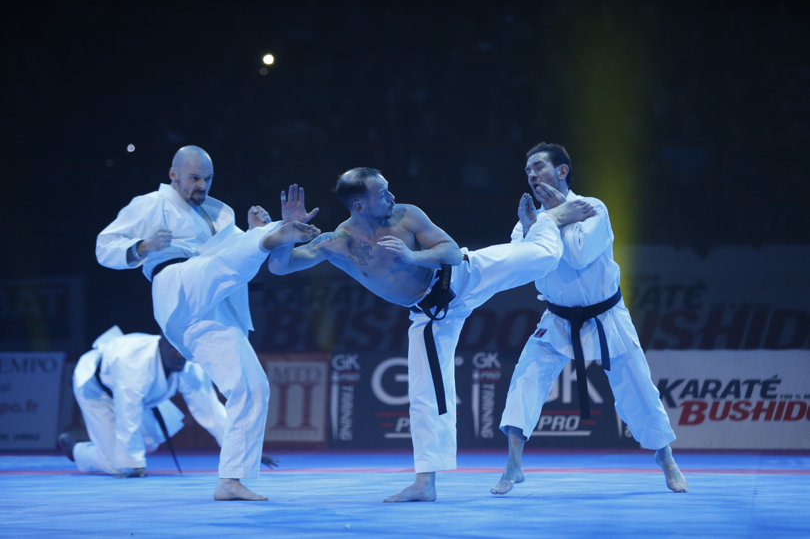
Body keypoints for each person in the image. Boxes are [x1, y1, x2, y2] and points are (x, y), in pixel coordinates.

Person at [267, 168, 595, 502]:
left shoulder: (406, 215)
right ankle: (425, 483)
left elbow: (450, 251)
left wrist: (412, 255)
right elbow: (280, 266)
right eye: (382, 193)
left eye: (388, 189)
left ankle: (550, 220)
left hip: (464, 275)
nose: (391, 197)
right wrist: (286, 233)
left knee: (544, 256)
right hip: (430, 315)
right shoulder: (337, 243)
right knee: (425, 395)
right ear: (359, 206)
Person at [96, 146, 319, 500]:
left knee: (252, 386)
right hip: (177, 283)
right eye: (195, 178)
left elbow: (230, 262)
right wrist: (143, 246)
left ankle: (231, 480)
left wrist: (248, 232)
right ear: (174, 175)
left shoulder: (219, 213)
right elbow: (104, 245)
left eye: (208, 178)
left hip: (214, 309)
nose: (202, 185)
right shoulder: (151, 204)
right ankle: (275, 234)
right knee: (218, 266)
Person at [492, 142, 688, 496]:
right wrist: (546, 221)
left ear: (562, 171)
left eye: (539, 167)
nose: (532, 175)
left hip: (605, 315)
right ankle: (513, 464)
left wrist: (554, 215)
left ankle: (666, 457)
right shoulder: (529, 222)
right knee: (525, 380)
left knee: (639, 388)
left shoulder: (592, 207)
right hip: (557, 318)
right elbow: (524, 264)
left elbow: (580, 255)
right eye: (528, 172)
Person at [58, 326, 280, 477]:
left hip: (140, 395)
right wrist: (133, 464)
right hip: (96, 389)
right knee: (118, 464)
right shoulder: (134, 363)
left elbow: (209, 409)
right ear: (161, 344)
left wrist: (243, 450)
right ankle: (75, 451)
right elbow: (128, 414)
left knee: (151, 443)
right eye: (172, 350)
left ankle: (115, 451)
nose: (178, 356)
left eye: (182, 351)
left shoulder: (189, 360)